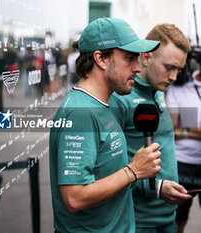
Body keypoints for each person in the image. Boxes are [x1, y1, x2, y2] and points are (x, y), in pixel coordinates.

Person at [49, 17, 162, 233]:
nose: (138, 67)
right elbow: (74, 197)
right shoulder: (81, 113)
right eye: (130, 58)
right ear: (100, 58)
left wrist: (148, 180)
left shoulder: (100, 103)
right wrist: (133, 170)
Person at [109, 23, 193, 233]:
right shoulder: (120, 98)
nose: (174, 77)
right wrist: (156, 188)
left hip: (168, 218)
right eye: (169, 67)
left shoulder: (158, 90)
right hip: (139, 222)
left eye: (179, 69)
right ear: (146, 58)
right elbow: (107, 168)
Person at [166, 53, 201, 233]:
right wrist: (192, 133)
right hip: (183, 164)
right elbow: (170, 131)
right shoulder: (180, 89)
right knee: (178, 218)